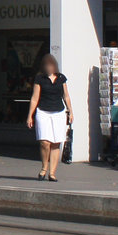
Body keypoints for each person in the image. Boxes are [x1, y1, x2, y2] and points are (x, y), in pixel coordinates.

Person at [25, 53, 73, 182]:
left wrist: (70, 111)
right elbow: (35, 98)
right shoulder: (40, 78)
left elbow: (66, 96)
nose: (49, 68)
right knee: (45, 142)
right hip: (43, 111)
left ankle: (52, 173)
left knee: (56, 143)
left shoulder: (61, 78)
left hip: (58, 112)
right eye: (46, 65)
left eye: (50, 65)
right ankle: (44, 167)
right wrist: (30, 115)